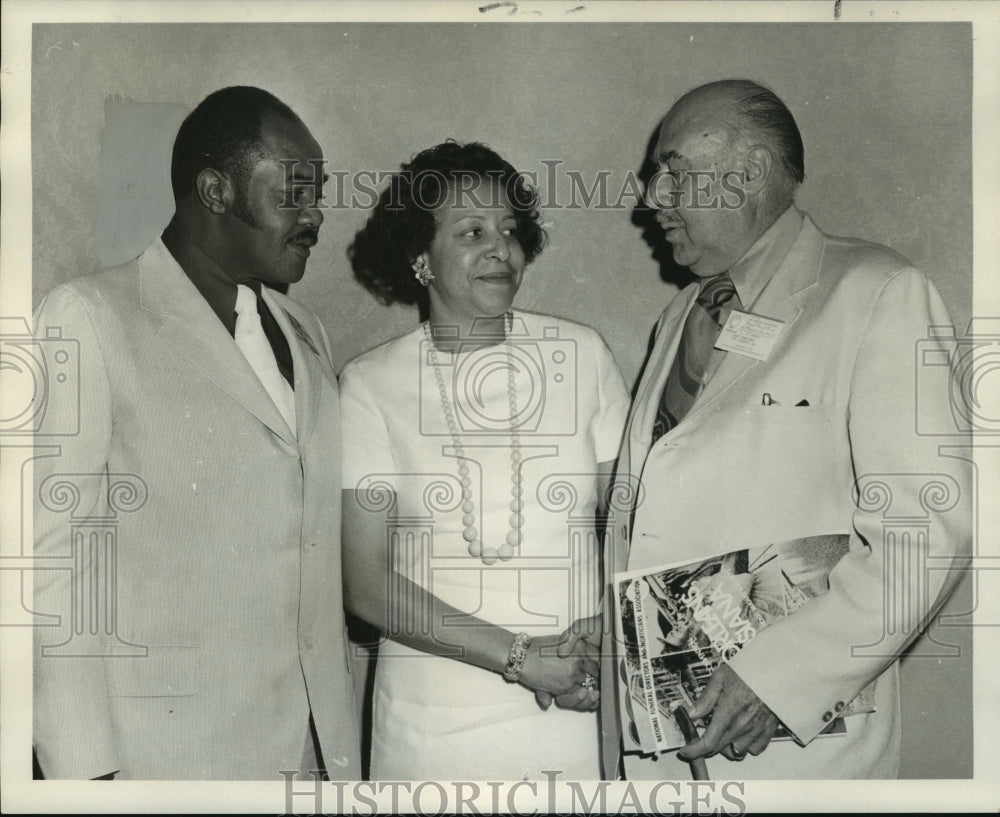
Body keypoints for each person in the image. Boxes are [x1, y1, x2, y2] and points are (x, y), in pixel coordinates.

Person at [595, 79, 972, 779]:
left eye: (674, 170)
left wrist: (782, 675)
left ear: (751, 174)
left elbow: (929, 527)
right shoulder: (680, 316)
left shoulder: (877, 291)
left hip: (795, 755)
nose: (653, 196)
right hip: (660, 758)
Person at [32, 86, 361, 780]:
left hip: (314, 758)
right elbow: (54, 565)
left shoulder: (307, 333)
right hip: (167, 763)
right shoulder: (91, 316)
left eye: (319, 193)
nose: (316, 216)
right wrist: (85, 775)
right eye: (294, 193)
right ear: (215, 190)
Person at [341, 141, 631, 780]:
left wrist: (611, 627)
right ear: (421, 257)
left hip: (578, 700)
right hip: (435, 719)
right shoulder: (369, 385)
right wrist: (520, 658)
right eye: (472, 231)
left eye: (509, 230)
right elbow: (365, 582)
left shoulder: (582, 355)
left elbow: (637, 520)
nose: (501, 248)